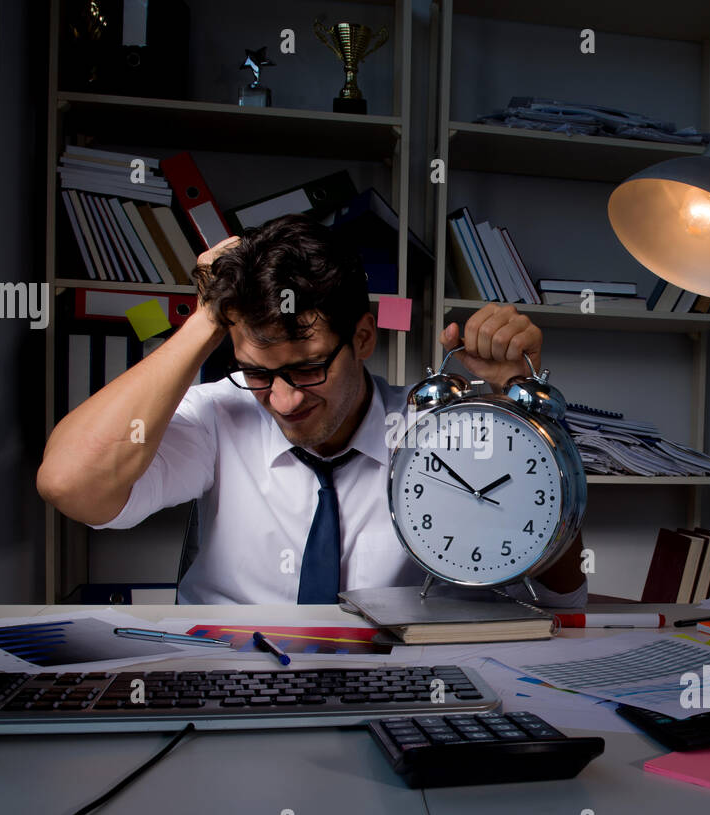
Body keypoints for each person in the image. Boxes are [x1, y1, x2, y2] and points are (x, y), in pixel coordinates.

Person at [37, 213, 586, 606]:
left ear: (365, 337)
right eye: (258, 371)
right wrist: (208, 317)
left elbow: (562, 598)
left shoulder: (433, 434)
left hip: (391, 685)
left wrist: (528, 415)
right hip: (228, 681)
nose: (284, 400)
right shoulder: (218, 415)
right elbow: (69, 483)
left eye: (308, 369)